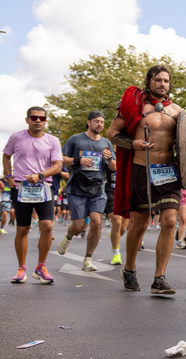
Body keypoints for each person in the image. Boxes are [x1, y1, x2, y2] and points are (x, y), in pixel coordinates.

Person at [108, 64, 183, 294]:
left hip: (169, 173)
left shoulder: (177, 111)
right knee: (139, 223)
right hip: (142, 169)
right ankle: (129, 269)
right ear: (149, 81)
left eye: (166, 81)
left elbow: (184, 144)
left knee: (170, 221)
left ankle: (159, 278)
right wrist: (133, 144)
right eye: (158, 80)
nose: (162, 84)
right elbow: (112, 134)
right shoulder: (136, 107)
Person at [3, 106, 63, 284]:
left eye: (42, 118)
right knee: (23, 229)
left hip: (43, 187)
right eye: (34, 117)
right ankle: (21, 269)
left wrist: (40, 175)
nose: (38, 121)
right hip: (21, 188)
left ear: (46, 121)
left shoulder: (52, 140)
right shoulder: (16, 137)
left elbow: (58, 165)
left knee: (47, 226)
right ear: (27, 119)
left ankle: (41, 267)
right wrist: (8, 177)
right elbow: (6, 156)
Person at [57, 111, 115, 272]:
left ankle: (87, 259)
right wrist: (78, 160)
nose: (100, 124)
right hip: (77, 187)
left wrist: (109, 159)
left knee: (96, 222)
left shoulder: (106, 143)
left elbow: (114, 167)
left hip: (97, 188)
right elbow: (60, 158)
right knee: (78, 226)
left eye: (102, 122)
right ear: (88, 122)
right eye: (96, 121)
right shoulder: (76, 139)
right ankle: (69, 236)